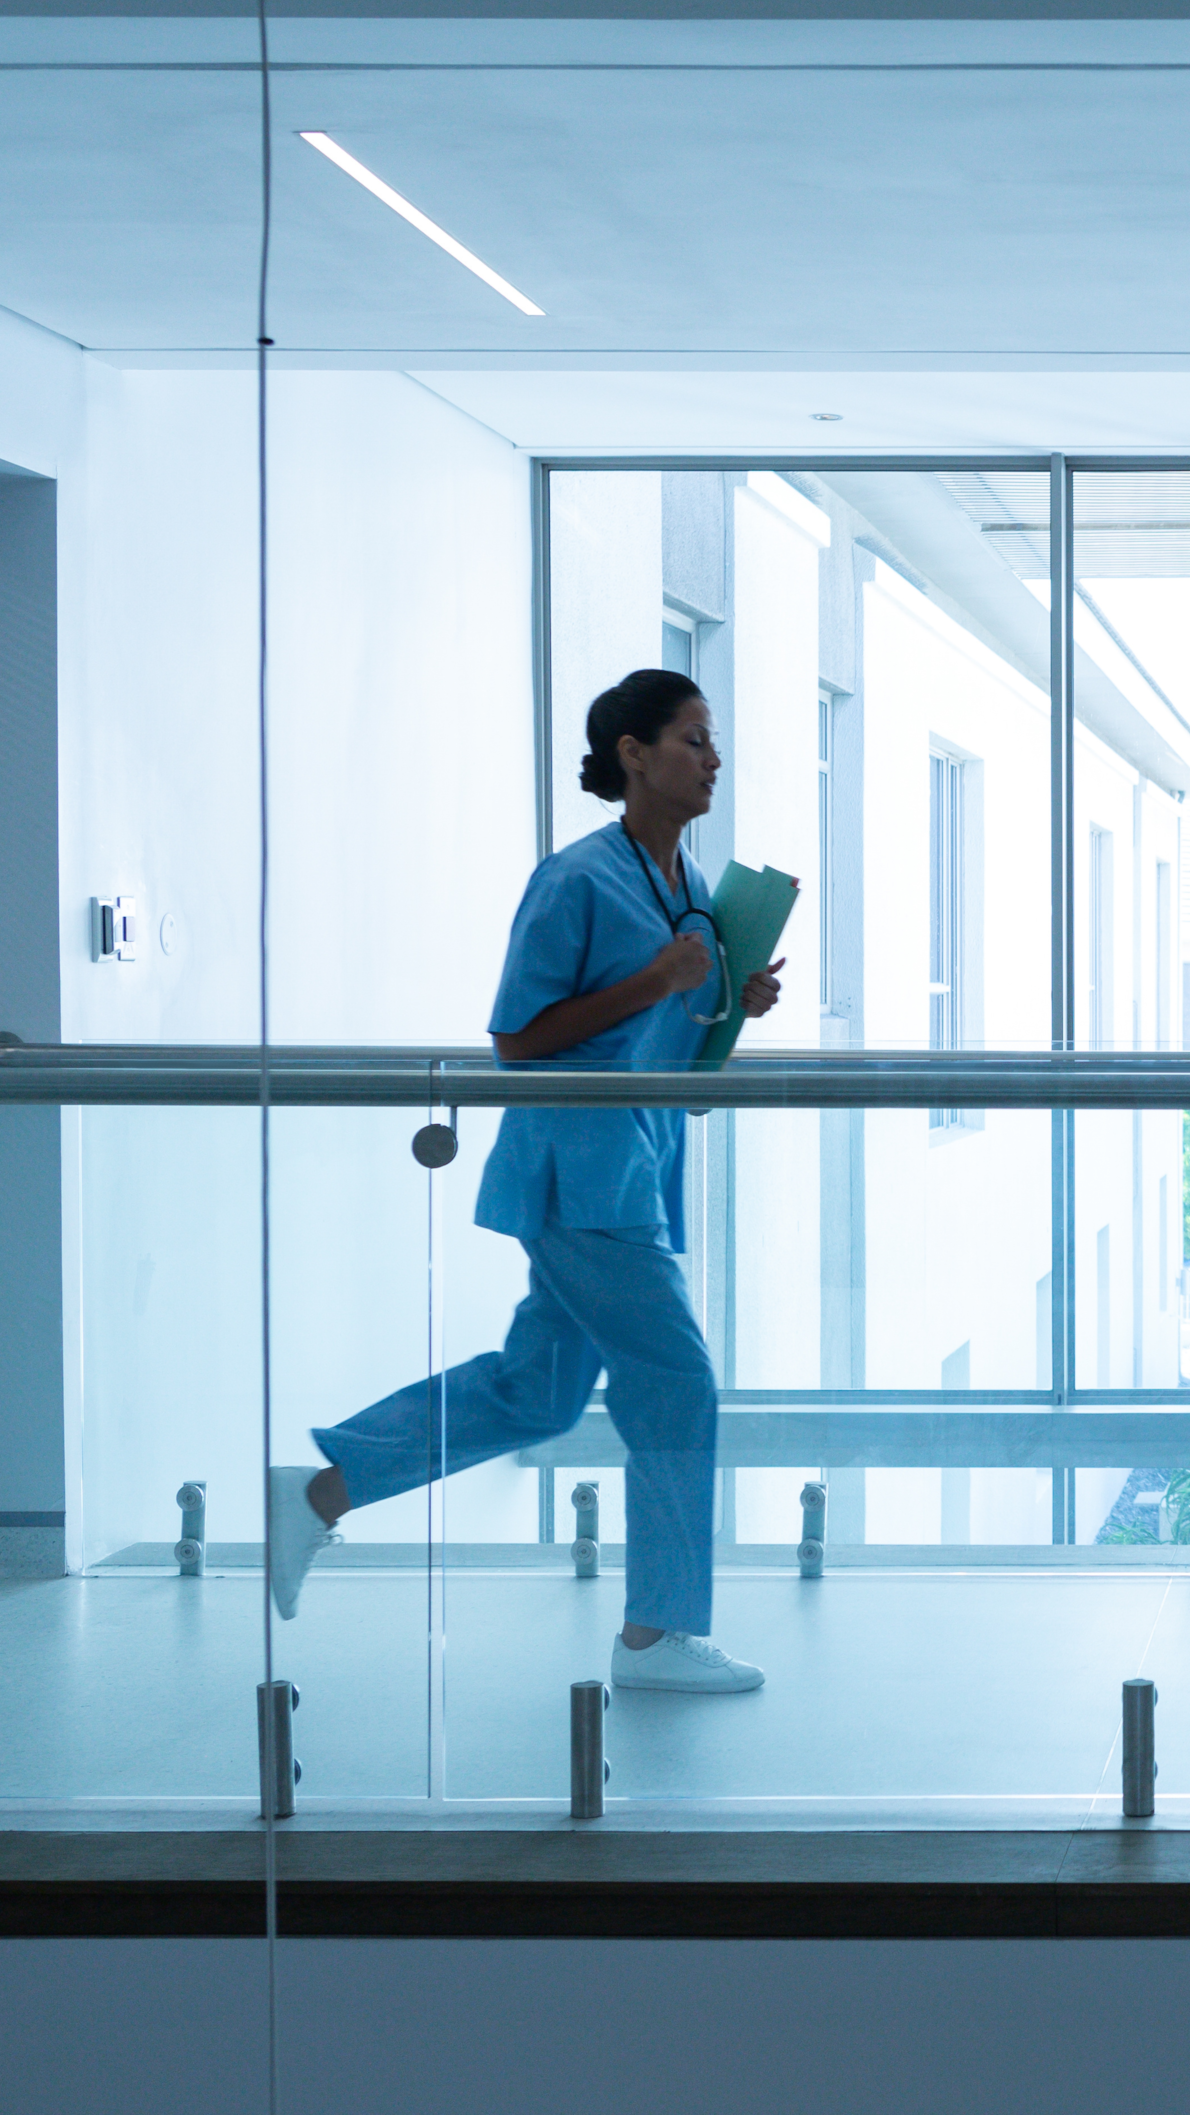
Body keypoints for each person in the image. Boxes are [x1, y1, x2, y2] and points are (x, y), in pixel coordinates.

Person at [265, 669, 786, 1693]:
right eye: (692, 739)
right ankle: (656, 1636)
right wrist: (660, 981)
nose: (712, 760)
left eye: (711, 742)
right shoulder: (575, 879)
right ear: (633, 754)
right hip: (579, 1175)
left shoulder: (686, 887)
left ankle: (321, 1492)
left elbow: (665, 1031)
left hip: (631, 1164)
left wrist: (734, 1001)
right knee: (678, 1386)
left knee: (538, 1391)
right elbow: (517, 1039)